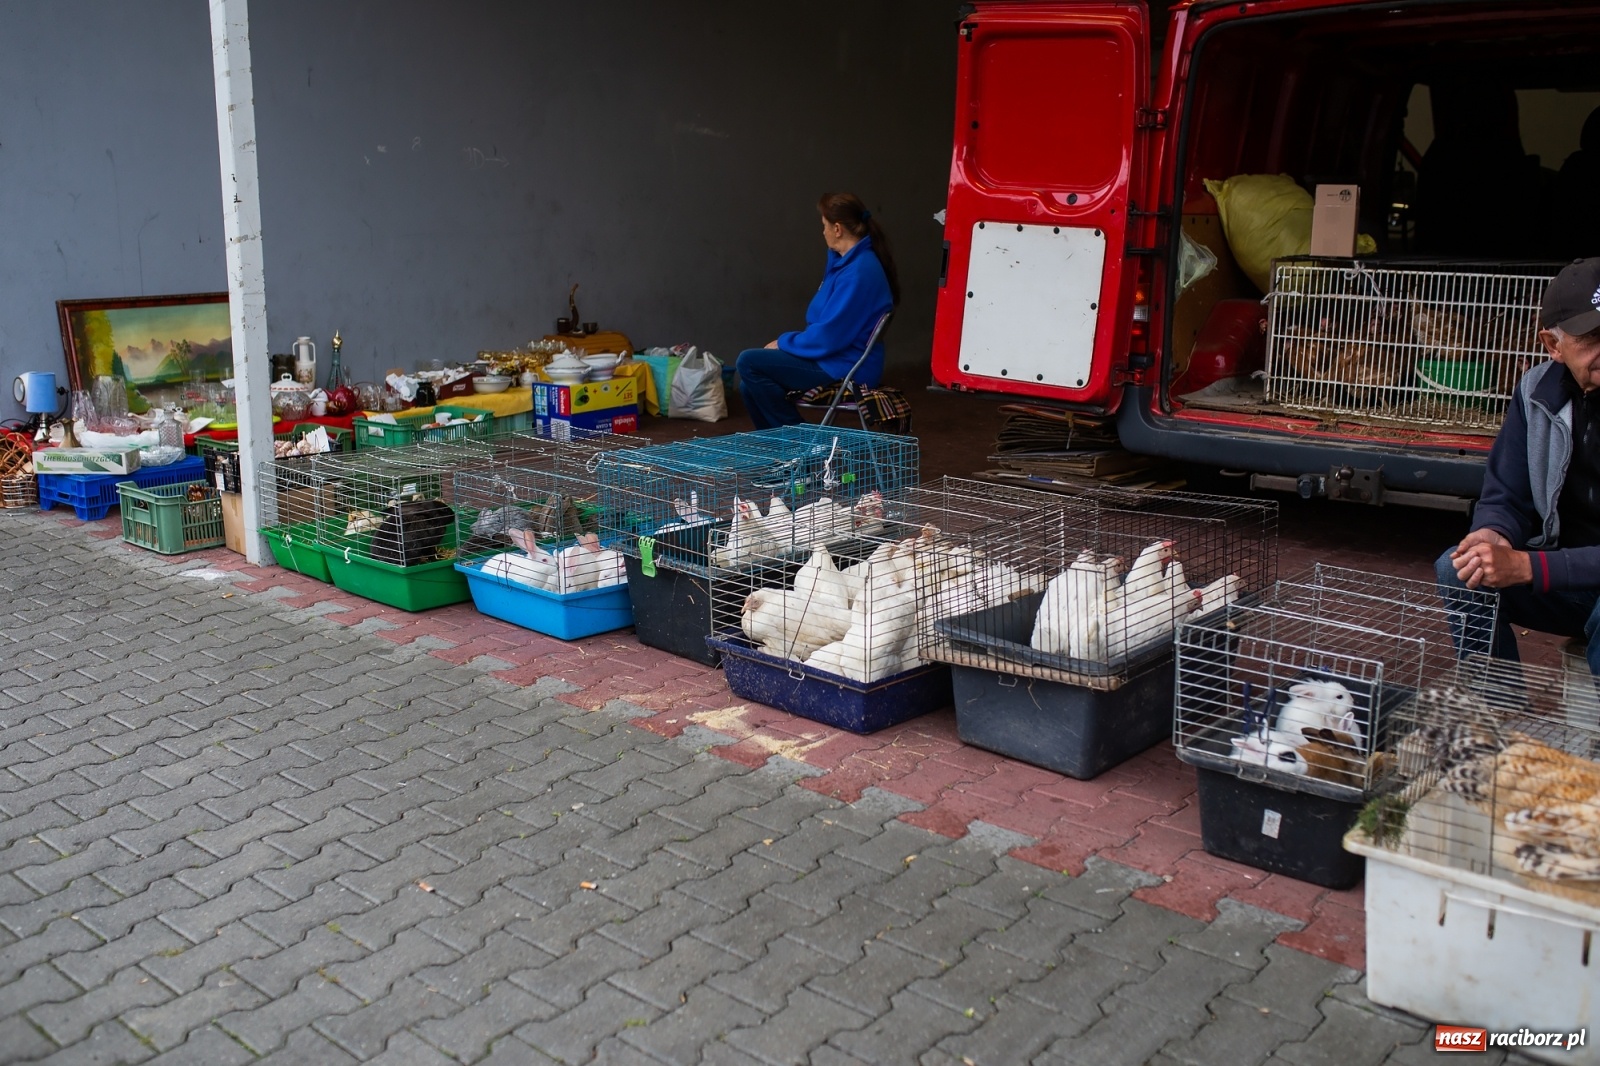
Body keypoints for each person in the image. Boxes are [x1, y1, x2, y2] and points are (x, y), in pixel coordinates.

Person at [1438, 257, 1600, 674]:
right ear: (1553, 345)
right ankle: (1497, 710)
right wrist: (1492, 535)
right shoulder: (1535, 391)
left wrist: (1528, 566)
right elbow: (1506, 494)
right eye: (1591, 337)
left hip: (1578, 572)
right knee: (1461, 570)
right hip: (1574, 579)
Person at [736, 192, 898, 429]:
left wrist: (784, 342)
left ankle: (803, 444)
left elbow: (830, 337)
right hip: (831, 357)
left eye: (824, 225)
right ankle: (781, 448)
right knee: (749, 385)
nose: (822, 232)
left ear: (837, 229)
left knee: (748, 362)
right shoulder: (846, 263)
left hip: (844, 366)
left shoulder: (859, 272)